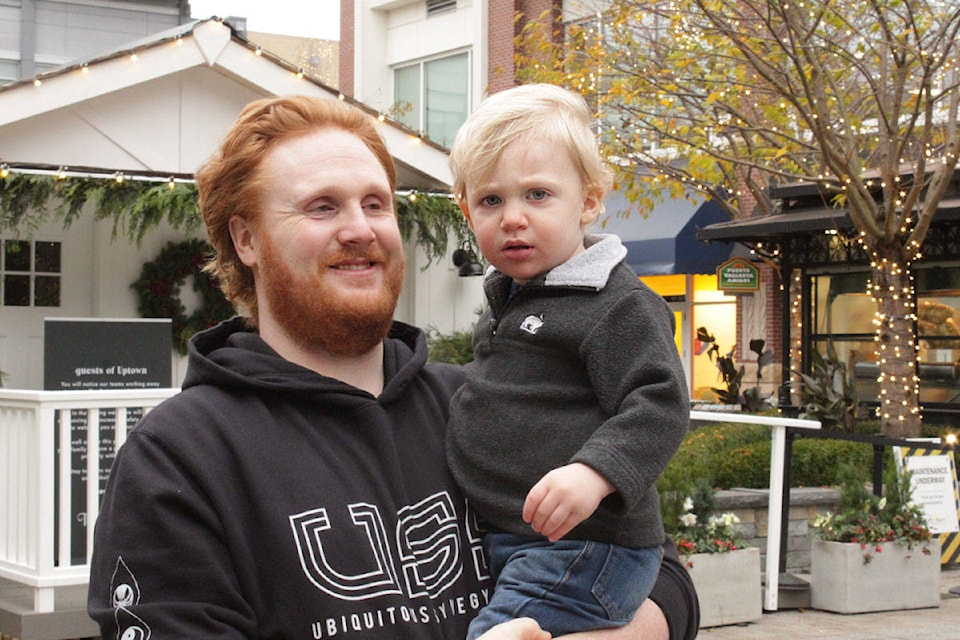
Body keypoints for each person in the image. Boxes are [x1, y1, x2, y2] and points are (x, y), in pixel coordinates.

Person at [87, 94, 698, 640]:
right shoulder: (178, 459)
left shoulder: (479, 399)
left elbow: (658, 571)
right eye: (322, 207)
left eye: (375, 204)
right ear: (246, 240)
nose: (360, 229)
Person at [446, 84, 690, 639]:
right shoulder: (507, 300)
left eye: (537, 195)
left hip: (588, 546)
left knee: (497, 632)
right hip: (518, 540)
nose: (512, 218)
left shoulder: (616, 303)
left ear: (587, 202)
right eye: (490, 200)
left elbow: (660, 400)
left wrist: (595, 471)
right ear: (467, 211)